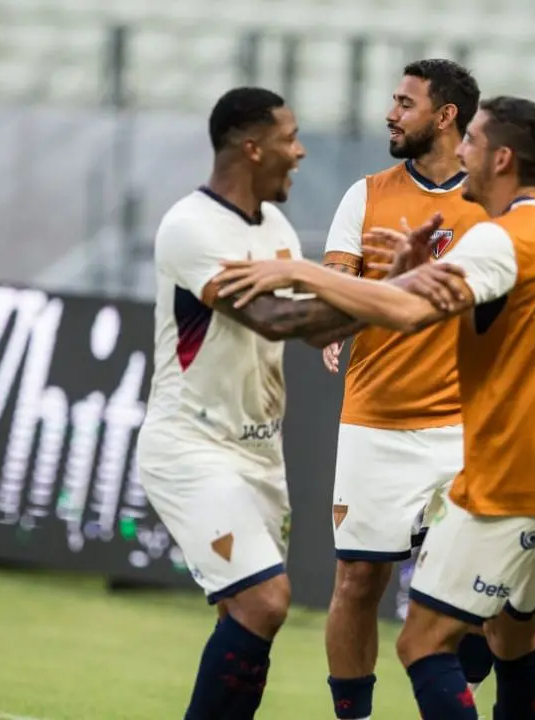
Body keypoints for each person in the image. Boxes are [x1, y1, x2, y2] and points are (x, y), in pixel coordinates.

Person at [215, 95, 535, 720]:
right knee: (512, 636)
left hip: (512, 473)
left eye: (474, 143)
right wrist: (407, 276)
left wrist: (303, 277)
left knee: (423, 642)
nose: (465, 155)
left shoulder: (503, 239)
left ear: (502, 158)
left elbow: (406, 313)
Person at [134, 86, 370, 719]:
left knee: (248, 620)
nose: (300, 152)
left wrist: (390, 299)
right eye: (290, 139)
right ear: (251, 146)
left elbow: (316, 327)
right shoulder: (191, 225)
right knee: (266, 602)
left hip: (260, 457)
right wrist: (378, 294)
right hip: (192, 447)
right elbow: (269, 316)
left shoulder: (277, 228)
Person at [318, 59, 492, 720]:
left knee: (472, 596)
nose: (390, 113)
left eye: (404, 102)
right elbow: (335, 295)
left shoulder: (490, 205)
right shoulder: (364, 196)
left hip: (465, 427)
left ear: (444, 115)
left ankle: (461, 679)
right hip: (375, 421)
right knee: (358, 579)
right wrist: (351, 312)